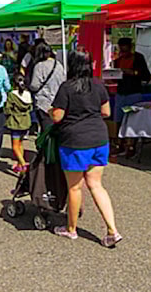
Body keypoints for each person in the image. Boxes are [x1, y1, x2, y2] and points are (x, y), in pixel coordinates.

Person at [50, 50, 122, 248]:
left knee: (74, 187)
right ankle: (112, 230)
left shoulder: (67, 87)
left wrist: (51, 111)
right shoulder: (98, 85)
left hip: (75, 141)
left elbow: (57, 117)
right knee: (96, 185)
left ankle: (71, 229)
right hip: (99, 138)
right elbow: (106, 111)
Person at [110, 37, 151, 157]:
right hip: (121, 93)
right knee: (118, 119)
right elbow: (115, 76)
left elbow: (146, 76)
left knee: (132, 120)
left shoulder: (138, 58)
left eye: (124, 48)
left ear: (130, 47)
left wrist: (132, 72)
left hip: (134, 93)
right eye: (120, 48)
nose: (122, 50)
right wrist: (113, 76)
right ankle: (119, 144)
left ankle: (131, 145)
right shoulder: (118, 60)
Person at [29, 41, 65, 134]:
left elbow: (34, 85)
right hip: (57, 101)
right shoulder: (59, 65)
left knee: (46, 130)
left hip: (43, 103)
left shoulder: (39, 66)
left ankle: (46, 148)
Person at [4, 73, 34, 173]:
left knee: (15, 146)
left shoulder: (12, 95)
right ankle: (20, 165)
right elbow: (30, 108)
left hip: (15, 122)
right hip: (25, 122)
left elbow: (7, 109)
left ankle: (23, 163)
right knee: (20, 144)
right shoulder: (28, 94)